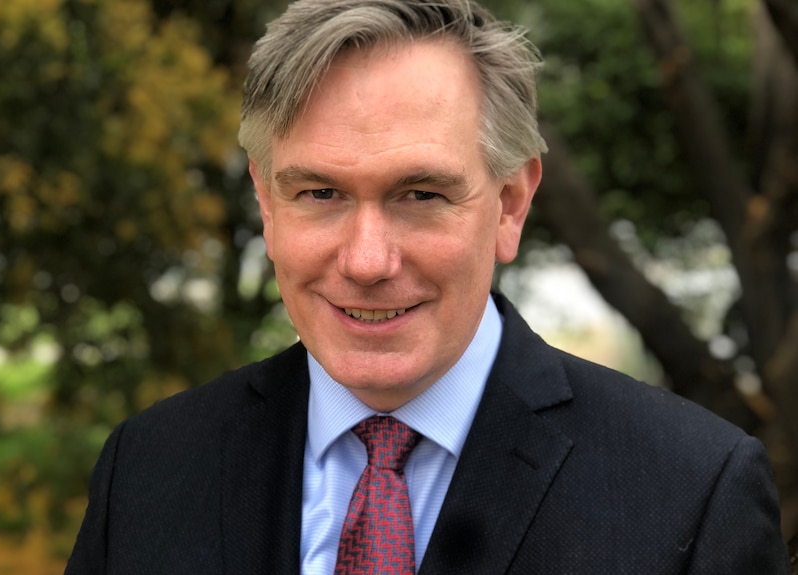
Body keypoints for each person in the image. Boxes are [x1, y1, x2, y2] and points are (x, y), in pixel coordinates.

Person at [65, 0, 791, 573]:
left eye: (420, 194)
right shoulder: (149, 467)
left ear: (509, 204)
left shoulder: (691, 495)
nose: (368, 260)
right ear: (265, 201)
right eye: (319, 192)